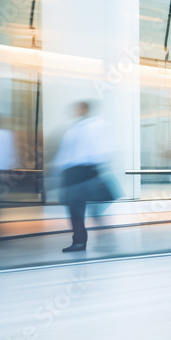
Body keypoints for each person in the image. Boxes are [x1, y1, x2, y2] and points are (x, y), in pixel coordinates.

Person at [52, 101, 117, 252]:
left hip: (86, 172)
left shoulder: (95, 125)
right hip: (73, 174)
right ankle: (80, 242)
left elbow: (100, 150)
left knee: (89, 211)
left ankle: (102, 238)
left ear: (85, 109)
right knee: (76, 211)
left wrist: (94, 167)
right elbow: (65, 153)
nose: (75, 111)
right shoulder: (73, 129)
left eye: (78, 108)